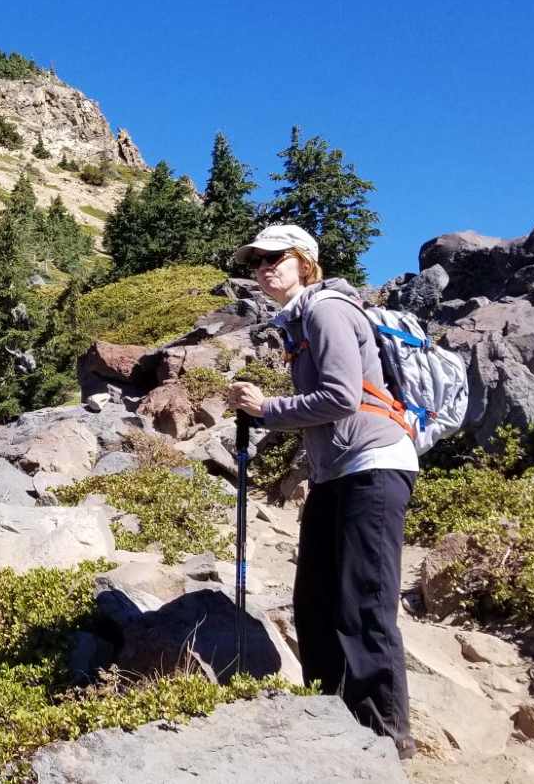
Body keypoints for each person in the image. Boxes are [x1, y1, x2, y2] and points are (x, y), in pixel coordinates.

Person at [225, 224, 417, 759]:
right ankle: (329, 723)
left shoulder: (327, 309)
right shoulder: (297, 322)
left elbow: (339, 396)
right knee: (315, 604)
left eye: (274, 258)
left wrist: (267, 410)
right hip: (338, 473)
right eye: (256, 261)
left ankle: (385, 741)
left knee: (363, 605)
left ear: (305, 261)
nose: (263, 268)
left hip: (374, 467)